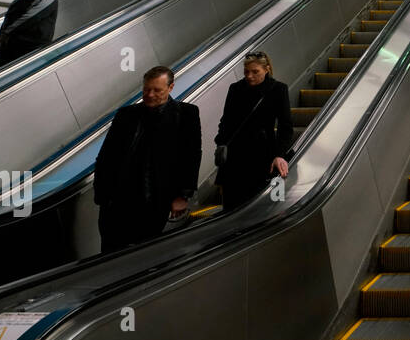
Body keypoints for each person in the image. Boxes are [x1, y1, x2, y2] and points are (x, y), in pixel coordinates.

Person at [92, 66, 201, 253]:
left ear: (171, 87)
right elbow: (106, 156)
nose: (150, 94)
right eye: (146, 89)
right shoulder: (126, 115)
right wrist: (102, 193)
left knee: (144, 252)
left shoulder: (186, 114)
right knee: (110, 252)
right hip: (117, 201)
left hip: (154, 198)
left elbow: (191, 155)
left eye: (156, 90)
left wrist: (182, 195)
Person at [215, 51, 294, 210]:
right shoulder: (235, 88)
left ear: (267, 69)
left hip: (264, 155)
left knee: (264, 207)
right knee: (232, 207)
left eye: (255, 72)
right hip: (235, 157)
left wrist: (279, 154)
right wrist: (221, 143)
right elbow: (226, 121)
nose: (249, 76)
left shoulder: (278, 89)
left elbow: (285, 126)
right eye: (246, 72)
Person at [0, 0, 59, 67]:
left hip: (33, 48)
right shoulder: (20, 0)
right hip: (12, 48)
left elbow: (30, 18)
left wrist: (7, 32)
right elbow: (8, 20)